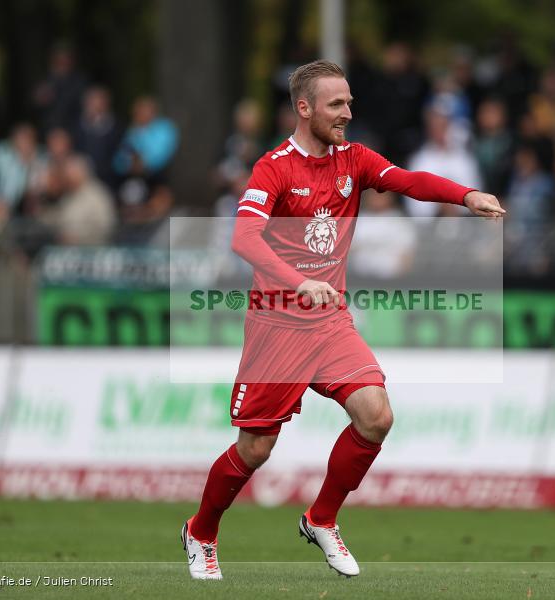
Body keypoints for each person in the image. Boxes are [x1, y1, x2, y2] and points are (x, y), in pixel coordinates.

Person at [181, 59, 504, 581]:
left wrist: (463, 195)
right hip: (277, 328)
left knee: (376, 415)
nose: (347, 113)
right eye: (337, 104)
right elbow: (242, 238)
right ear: (304, 108)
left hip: (329, 323)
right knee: (256, 449)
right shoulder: (274, 167)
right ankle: (200, 531)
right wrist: (298, 281)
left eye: (350, 102)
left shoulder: (353, 160)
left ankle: (321, 519)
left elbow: (408, 180)